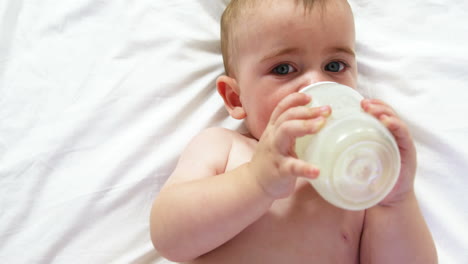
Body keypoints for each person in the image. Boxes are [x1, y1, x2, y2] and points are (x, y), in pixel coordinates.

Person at [150, 0, 438, 263]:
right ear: (236, 99)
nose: (315, 82)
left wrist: (395, 200)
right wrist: (256, 181)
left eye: (334, 65)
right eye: (284, 69)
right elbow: (169, 238)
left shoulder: (357, 182)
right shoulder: (224, 147)